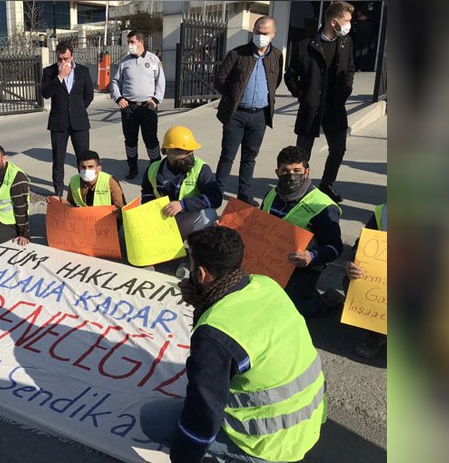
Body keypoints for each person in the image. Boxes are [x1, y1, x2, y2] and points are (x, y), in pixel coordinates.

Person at [140, 226, 326, 463]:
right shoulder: (265, 284)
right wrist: (201, 301)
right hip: (308, 420)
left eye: (191, 265)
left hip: (266, 443)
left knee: (153, 420)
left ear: (201, 275)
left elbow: (203, 417)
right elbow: (242, 318)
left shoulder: (214, 335)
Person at [284, 1, 355, 203]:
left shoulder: (346, 42)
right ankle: (298, 188)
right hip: (311, 108)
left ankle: (326, 185)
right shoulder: (306, 44)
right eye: (347, 20)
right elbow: (291, 75)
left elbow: (349, 69)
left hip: (335, 108)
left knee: (338, 149)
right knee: (302, 153)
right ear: (334, 22)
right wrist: (303, 95)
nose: (349, 24)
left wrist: (345, 91)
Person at [261, 146, 343, 317]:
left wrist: (311, 256)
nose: (291, 176)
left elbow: (335, 247)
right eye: (285, 171)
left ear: (307, 171)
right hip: (268, 258)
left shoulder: (323, 206)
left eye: (297, 170)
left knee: (293, 310)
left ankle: (326, 300)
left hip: (302, 265)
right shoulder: (271, 194)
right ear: (277, 172)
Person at [214, 16, 283, 207]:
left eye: (265, 33)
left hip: (260, 115)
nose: (260, 36)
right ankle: (217, 192)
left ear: (273, 34)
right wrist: (234, 96)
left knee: (250, 157)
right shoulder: (237, 54)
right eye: (257, 32)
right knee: (227, 155)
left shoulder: (276, 55)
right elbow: (220, 79)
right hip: (236, 114)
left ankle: (244, 193)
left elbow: (275, 82)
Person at [142, 126, 222, 242]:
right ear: (169, 152)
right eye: (185, 154)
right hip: (162, 220)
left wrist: (183, 205)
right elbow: (147, 195)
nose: (190, 158)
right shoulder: (153, 169)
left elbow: (215, 198)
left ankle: (194, 254)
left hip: (186, 218)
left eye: (191, 153)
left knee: (209, 215)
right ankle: (161, 249)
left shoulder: (201, 168)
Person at [110, 30, 166, 181]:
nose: (130, 45)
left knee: (151, 139)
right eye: (128, 42)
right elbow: (114, 82)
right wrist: (118, 98)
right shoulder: (124, 62)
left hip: (148, 107)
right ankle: (132, 167)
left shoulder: (153, 60)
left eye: (132, 42)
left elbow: (161, 81)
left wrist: (155, 100)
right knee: (130, 140)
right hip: (129, 107)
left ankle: (156, 168)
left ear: (141, 42)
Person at [41, 40, 94, 197]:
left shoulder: (83, 71)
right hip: (59, 123)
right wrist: (60, 77)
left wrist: (77, 109)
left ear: (72, 56)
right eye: (60, 59)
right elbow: (45, 93)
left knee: (83, 159)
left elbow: (88, 95)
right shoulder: (49, 72)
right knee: (58, 159)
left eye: (66, 59)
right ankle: (58, 190)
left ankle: (85, 189)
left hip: (79, 122)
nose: (63, 62)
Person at [345, 203, 387, 358]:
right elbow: (362, 243)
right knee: (353, 278)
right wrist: (353, 260)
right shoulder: (383, 211)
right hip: (384, 276)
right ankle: (376, 332)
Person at [51, 150, 126, 210]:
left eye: (90, 167)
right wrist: (59, 200)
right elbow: (71, 204)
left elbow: (121, 207)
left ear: (99, 168)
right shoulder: (74, 181)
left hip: (107, 222)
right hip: (84, 221)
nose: (86, 170)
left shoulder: (110, 181)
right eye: (83, 167)